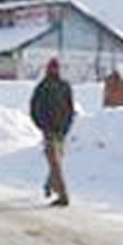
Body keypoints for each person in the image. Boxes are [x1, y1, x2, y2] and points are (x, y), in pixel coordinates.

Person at [29, 58, 75, 207]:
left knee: (56, 162)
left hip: (61, 131)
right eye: (51, 68)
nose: (54, 70)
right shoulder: (42, 87)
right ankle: (63, 196)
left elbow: (70, 107)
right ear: (47, 69)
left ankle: (50, 185)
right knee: (55, 163)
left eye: (56, 68)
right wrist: (42, 125)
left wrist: (67, 125)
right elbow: (34, 109)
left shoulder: (65, 86)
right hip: (49, 131)